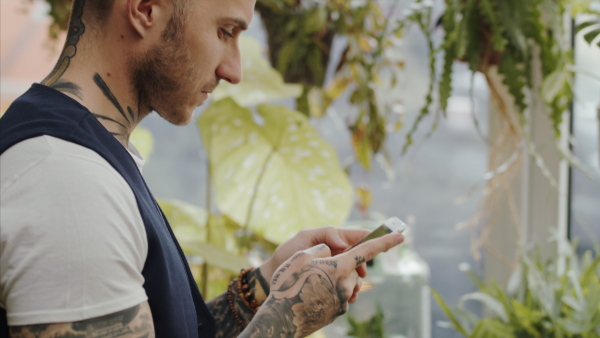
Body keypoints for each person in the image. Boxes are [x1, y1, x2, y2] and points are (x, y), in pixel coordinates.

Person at [0, 0, 405, 337]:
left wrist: (262, 288)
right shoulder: (67, 183)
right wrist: (287, 319)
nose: (234, 71)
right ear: (144, 9)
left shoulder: (84, 155)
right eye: (225, 32)